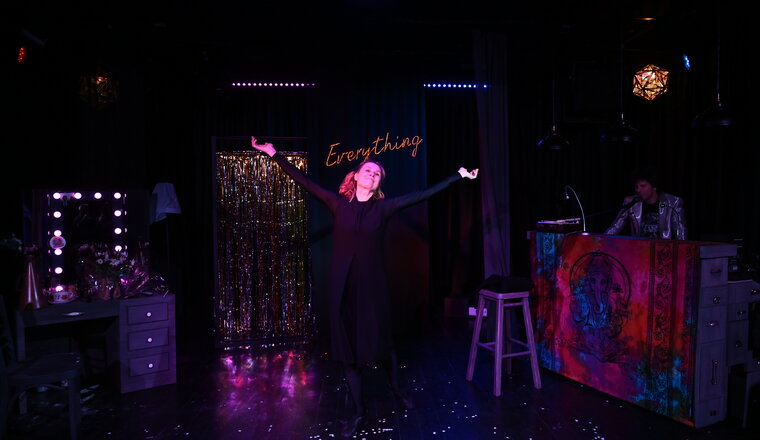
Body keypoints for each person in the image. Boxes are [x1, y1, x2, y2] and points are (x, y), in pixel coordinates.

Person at [251, 136, 478, 437]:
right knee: (347, 350)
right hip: (342, 288)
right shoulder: (337, 204)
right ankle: (359, 412)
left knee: (382, 344)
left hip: (373, 289)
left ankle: (396, 388)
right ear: (356, 176)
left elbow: (423, 194)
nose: (372, 174)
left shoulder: (383, 208)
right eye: (368, 170)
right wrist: (273, 153)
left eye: (377, 174)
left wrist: (458, 176)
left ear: (378, 184)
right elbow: (303, 181)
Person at [604, 168, 687, 240]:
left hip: (663, 249)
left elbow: (680, 231)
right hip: (639, 249)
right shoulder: (631, 202)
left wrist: (683, 249)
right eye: (636, 187)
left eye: (642, 186)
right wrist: (602, 241)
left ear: (654, 187)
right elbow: (615, 227)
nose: (638, 190)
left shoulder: (672, 202)